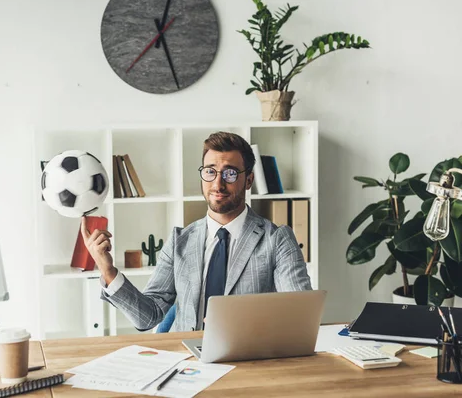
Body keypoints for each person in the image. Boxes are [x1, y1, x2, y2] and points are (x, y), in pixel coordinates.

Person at [80, 131, 311, 332]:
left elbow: (300, 315)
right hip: (187, 362)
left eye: (230, 174)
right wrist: (107, 270)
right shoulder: (180, 241)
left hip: (248, 360)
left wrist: (243, 323)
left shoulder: (277, 240)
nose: (218, 185)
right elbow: (148, 316)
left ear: (248, 180)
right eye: (210, 172)